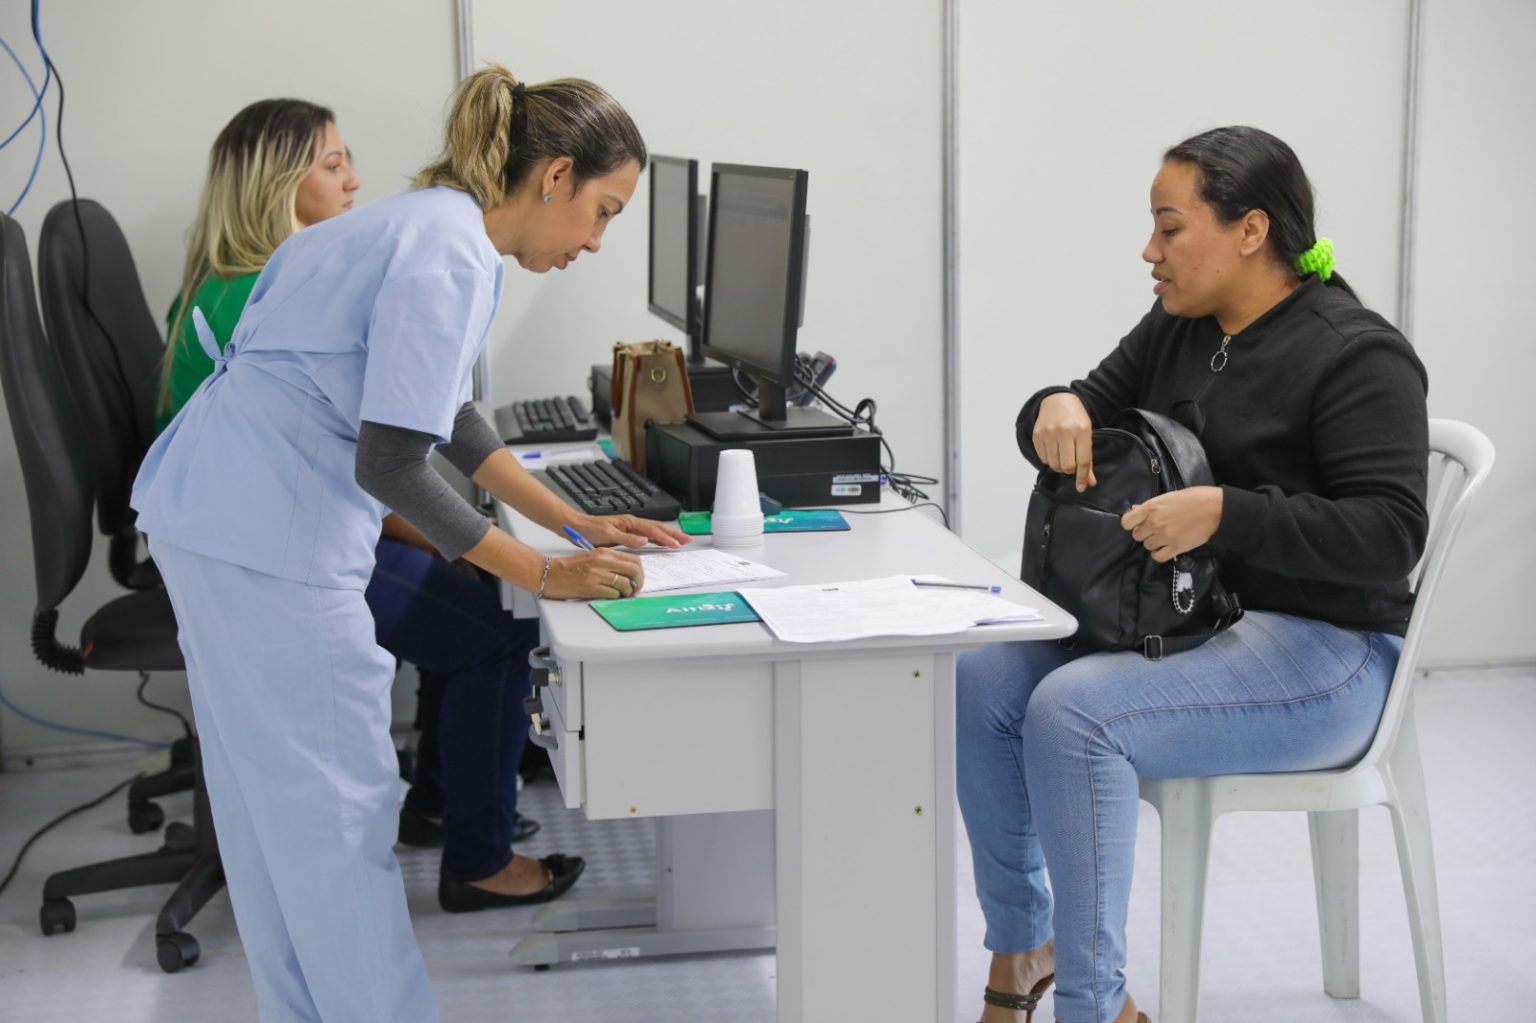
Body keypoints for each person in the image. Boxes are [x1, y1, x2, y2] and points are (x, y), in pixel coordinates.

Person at [132, 65, 685, 1022]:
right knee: (338, 819)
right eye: (601, 211)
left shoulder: (431, 223)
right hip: (265, 543)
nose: (597, 241)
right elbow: (392, 462)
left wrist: (569, 516)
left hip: (213, 518)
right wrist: (542, 571)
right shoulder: (451, 255)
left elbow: (442, 411)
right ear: (553, 176)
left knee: (273, 819)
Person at [956, 125, 1429, 1023]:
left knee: (1074, 711)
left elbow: (1390, 534)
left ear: (1250, 230)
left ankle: (1094, 1008)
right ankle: (1022, 952)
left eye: (1170, 228)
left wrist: (1225, 510)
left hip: (1332, 653)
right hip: (1193, 619)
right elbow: (1070, 419)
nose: (1151, 251)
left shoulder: (1356, 353)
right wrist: (1052, 405)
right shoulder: (1180, 325)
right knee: (983, 677)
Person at [156, 98, 547, 917]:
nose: (355, 179)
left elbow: (422, 410)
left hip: (266, 527)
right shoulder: (267, 287)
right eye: (332, 164)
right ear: (274, 182)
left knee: (477, 603)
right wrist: (482, 543)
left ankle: (443, 802)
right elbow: (374, 462)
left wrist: (512, 525)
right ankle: (478, 854)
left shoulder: (286, 274)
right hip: (271, 545)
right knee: (495, 630)